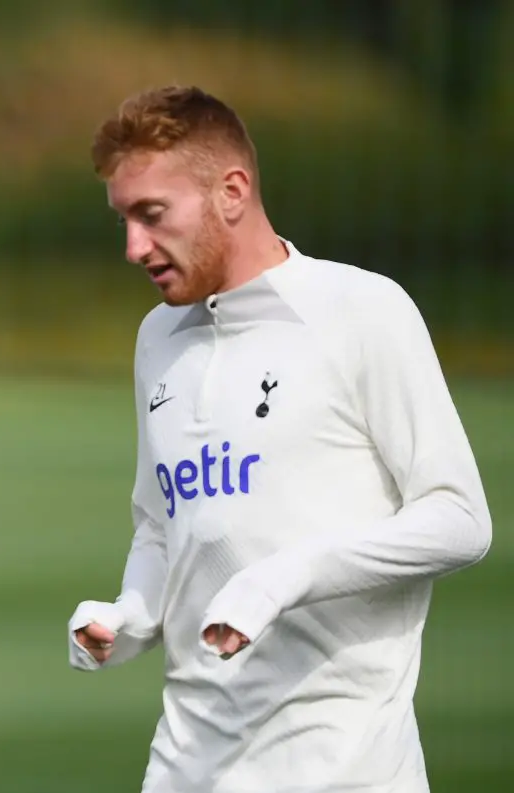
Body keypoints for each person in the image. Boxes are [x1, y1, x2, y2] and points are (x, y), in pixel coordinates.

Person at [66, 85, 491, 792]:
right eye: (123, 220)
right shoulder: (157, 336)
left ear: (232, 191)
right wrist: (132, 613)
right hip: (183, 766)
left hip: (345, 770)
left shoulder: (362, 309)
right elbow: (162, 524)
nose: (134, 246)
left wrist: (284, 577)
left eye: (152, 215)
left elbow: (460, 519)